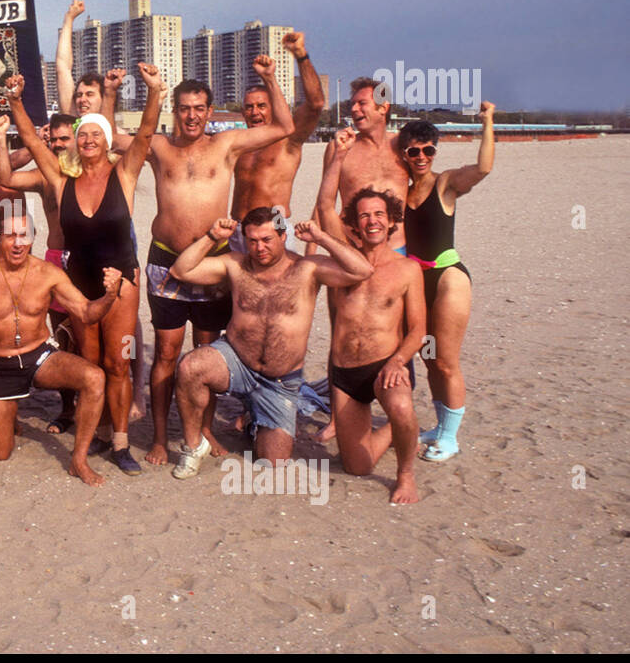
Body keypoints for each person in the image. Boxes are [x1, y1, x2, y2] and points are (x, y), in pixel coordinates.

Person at [114, 58, 293, 465]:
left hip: (213, 263)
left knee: (206, 352)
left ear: (209, 112)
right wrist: (127, 92)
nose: (192, 116)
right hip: (166, 261)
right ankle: (160, 437)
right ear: (174, 111)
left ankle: (206, 429)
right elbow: (111, 135)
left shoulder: (225, 145)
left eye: (199, 108)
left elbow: (283, 127)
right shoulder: (159, 147)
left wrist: (269, 77)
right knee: (165, 353)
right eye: (184, 108)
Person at [8, 65, 163, 476]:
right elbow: (29, 140)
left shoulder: (124, 174)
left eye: (97, 133)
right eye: (83, 134)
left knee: (119, 363)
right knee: (90, 365)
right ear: (75, 141)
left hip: (122, 283)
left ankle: (120, 441)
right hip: (80, 285)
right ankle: (94, 433)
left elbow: (146, 135)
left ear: (107, 139)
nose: (89, 139)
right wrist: (15, 101)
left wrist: (154, 93)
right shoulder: (62, 181)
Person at [169, 212, 373, 474]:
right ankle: (193, 446)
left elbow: (362, 270)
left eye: (266, 239)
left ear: (283, 236)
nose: (259, 248)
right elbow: (181, 270)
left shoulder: (307, 268)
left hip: (279, 381)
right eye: (252, 241)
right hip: (236, 361)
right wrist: (212, 237)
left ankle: (256, 417)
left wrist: (321, 237)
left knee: (273, 462)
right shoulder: (236, 264)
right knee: (190, 367)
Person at [0, 209, 119, 486]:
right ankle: (8, 411)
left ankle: (79, 460)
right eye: (10, 235)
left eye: (24, 235)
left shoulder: (49, 273)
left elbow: (86, 313)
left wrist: (110, 296)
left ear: (33, 238)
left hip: (39, 356)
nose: (17, 243)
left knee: (93, 377)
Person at [397, 104, 495, 462]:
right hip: (415, 282)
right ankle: (440, 427)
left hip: (448, 279)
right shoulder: (401, 191)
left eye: (428, 150)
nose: (421, 157)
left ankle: (450, 439)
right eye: (414, 151)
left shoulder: (446, 184)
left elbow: (483, 167)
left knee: (447, 361)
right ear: (404, 153)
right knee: (429, 358)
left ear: (435, 151)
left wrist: (487, 122)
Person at [320, 186, 426, 503]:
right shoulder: (339, 268)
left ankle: (405, 475)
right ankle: (395, 431)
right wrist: (332, 380)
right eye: (364, 215)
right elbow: (334, 325)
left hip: (386, 366)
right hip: (345, 374)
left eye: (379, 214)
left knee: (402, 407)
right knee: (357, 467)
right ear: (354, 224)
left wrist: (398, 361)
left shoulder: (407, 269)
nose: (372, 221)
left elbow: (420, 328)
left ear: (391, 220)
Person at [0, 111, 79, 432]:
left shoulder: (93, 171)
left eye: (64, 139)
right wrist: (2, 138)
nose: (58, 146)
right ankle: (67, 408)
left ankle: (101, 407)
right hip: (57, 258)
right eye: (53, 140)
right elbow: (6, 178)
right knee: (63, 337)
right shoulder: (46, 175)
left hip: (88, 260)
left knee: (96, 336)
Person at [230, 31, 328, 228]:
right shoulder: (238, 144)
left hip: (274, 225)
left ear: (274, 108)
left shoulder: (288, 139)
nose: (255, 112)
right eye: (249, 107)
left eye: (261, 106)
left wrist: (300, 55)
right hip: (238, 228)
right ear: (242, 112)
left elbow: (316, 103)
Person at [325, 78, 412, 251]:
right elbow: (325, 202)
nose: (353, 109)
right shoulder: (339, 148)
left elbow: (424, 188)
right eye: (352, 104)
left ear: (383, 107)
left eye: (361, 103)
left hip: (397, 247)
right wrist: (310, 252)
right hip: (354, 247)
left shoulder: (403, 146)